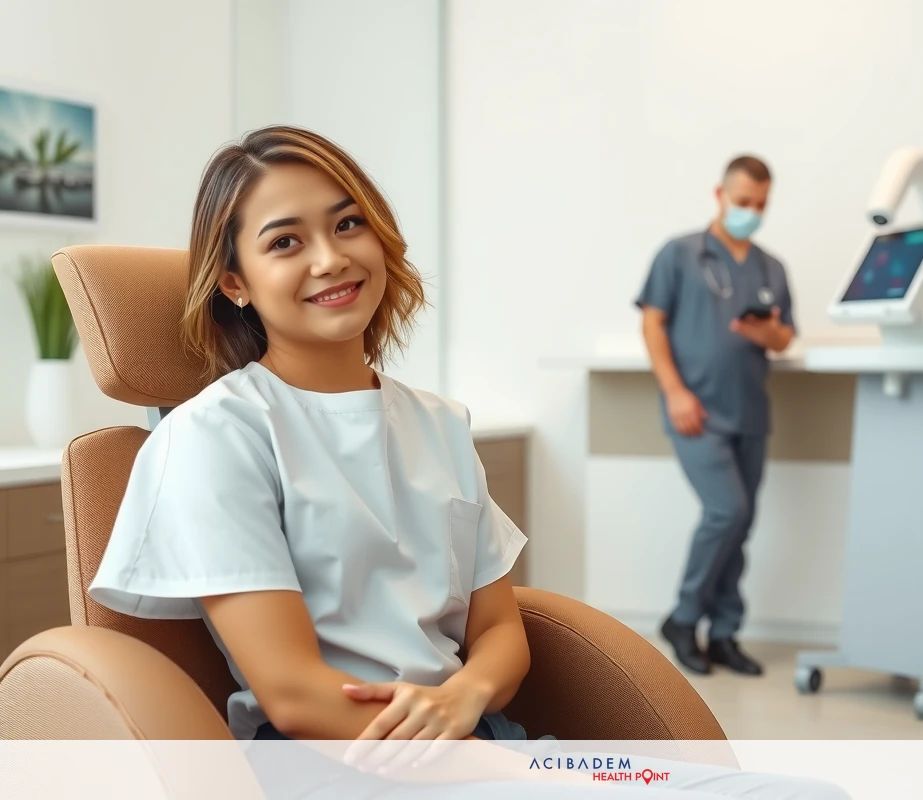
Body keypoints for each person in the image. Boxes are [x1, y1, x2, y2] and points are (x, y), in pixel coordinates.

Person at [86, 127, 845, 799]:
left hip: (481, 745)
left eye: (348, 224)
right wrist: (505, 765)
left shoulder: (440, 424)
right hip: (339, 765)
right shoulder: (216, 435)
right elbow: (292, 696)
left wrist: (468, 703)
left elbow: (500, 635)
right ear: (234, 283)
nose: (330, 257)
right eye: (285, 241)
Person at [636, 155, 796, 677]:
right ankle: (684, 617)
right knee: (727, 511)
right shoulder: (680, 254)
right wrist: (675, 391)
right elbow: (653, 325)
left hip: (750, 410)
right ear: (720, 195)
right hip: (696, 410)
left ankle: (724, 632)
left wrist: (765, 334)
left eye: (760, 204)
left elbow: (784, 337)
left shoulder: (772, 267)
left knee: (741, 522)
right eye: (743, 201)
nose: (751, 211)